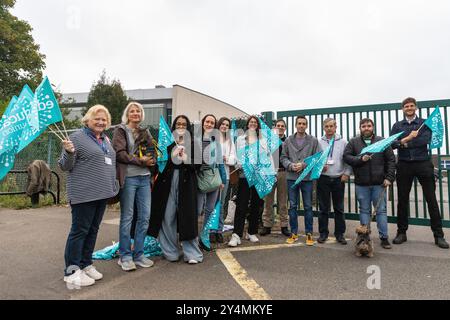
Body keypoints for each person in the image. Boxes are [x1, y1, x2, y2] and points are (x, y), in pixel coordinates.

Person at [59, 105, 119, 287]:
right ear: (88, 120)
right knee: (79, 231)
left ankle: (85, 264)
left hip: (102, 193)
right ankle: (71, 271)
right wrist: (69, 152)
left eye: (104, 119)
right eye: (97, 119)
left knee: (92, 230)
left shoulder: (105, 139)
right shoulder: (76, 137)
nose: (101, 122)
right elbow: (64, 166)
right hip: (84, 194)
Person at [391, 97, 449, 249]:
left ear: (416, 107)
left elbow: (425, 140)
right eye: (406, 106)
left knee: (431, 200)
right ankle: (401, 233)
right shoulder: (397, 126)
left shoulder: (424, 123)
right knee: (402, 200)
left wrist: (405, 142)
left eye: (411, 106)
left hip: (423, 163)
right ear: (403, 109)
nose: (409, 108)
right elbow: (392, 144)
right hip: (404, 165)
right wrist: (406, 139)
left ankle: (439, 236)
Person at [148, 115, 203, 263]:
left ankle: (192, 253)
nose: (180, 127)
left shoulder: (194, 144)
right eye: (178, 124)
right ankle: (170, 251)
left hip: (186, 183)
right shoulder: (167, 142)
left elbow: (197, 166)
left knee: (187, 217)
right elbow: (160, 163)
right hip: (167, 183)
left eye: (184, 125)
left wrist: (185, 158)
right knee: (167, 216)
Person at [112, 102, 156, 272]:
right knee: (127, 217)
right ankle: (125, 256)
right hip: (129, 178)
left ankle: (138, 254)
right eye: (132, 111)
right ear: (127, 114)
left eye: (138, 111)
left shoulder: (146, 132)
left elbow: (152, 152)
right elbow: (120, 154)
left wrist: (152, 159)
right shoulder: (121, 130)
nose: (135, 113)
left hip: (145, 179)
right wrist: (140, 161)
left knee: (145, 217)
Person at [343, 118, 395, 249]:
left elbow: (391, 160)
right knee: (364, 210)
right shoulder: (354, 142)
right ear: (360, 128)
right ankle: (364, 237)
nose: (366, 128)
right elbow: (347, 157)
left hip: (380, 183)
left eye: (369, 126)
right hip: (362, 184)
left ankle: (384, 238)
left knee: (381, 211)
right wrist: (361, 159)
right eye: (363, 126)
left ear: (373, 127)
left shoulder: (382, 141)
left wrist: (389, 177)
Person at [281, 115, 320, 246]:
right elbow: (283, 157)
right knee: (292, 206)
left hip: (307, 178)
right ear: (296, 125)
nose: (301, 125)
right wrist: (291, 166)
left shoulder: (313, 141)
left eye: (304, 123)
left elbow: (317, 157)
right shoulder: (288, 140)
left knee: (308, 206)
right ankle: (294, 232)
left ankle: (309, 233)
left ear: (306, 125)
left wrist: (304, 165)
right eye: (299, 123)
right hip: (292, 178)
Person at [228, 116, 267, 247]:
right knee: (241, 204)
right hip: (244, 175)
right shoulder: (240, 139)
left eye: (255, 122)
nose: (253, 124)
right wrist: (241, 164)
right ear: (247, 124)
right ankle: (236, 234)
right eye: (251, 122)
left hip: (257, 176)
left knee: (256, 204)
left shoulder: (262, 140)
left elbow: (266, 156)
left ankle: (251, 232)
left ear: (257, 125)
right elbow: (237, 155)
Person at [317, 118, 352, 244]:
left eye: (332, 126)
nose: (329, 128)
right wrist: (320, 167)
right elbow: (315, 159)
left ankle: (340, 234)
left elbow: (348, 159)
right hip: (323, 178)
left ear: (336, 127)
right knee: (323, 208)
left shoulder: (343, 142)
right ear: (323, 128)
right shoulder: (319, 142)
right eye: (327, 126)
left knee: (339, 208)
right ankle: (323, 233)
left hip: (339, 178)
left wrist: (347, 173)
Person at [196, 114, 227, 250]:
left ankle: (204, 236)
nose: (209, 124)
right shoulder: (195, 140)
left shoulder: (216, 143)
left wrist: (222, 180)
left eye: (212, 123)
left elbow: (220, 163)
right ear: (203, 123)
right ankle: (193, 237)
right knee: (197, 209)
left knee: (210, 209)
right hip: (199, 178)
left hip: (214, 179)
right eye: (207, 122)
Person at [260, 119, 290, 237]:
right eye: (278, 125)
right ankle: (267, 225)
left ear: (285, 128)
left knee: (283, 201)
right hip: (269, 173)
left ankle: (284, 226)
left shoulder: (288, 141)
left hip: (283, 173)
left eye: (282, 126)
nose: (280, 127)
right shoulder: (268, 141)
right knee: (268, 200)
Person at [213, 117, 237, 243]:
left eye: (227, 125)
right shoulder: (212, 138)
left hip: (225, 176)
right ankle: (210, 230)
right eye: (222, 124)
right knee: (211, 204)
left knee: (222, 203)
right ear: (218, 125)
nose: (224, 126)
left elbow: (234, 158)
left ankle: (219, 230)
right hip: (211, 176)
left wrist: (226, 158)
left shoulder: (230, 141)